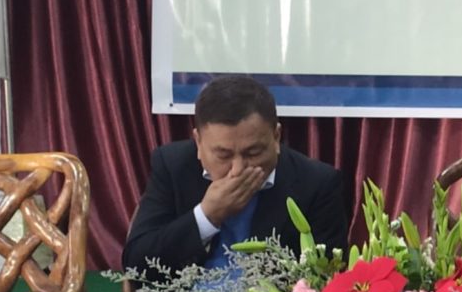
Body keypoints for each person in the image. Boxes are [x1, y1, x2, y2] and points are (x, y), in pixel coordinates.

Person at [122, 75, 350, 276]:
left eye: (253, 152)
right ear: (198, 142)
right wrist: (206, 216)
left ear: (276, 137)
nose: (238, 169)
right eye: (223, 155)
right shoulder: (173, 165)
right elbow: (136, 263)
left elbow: (325, 278)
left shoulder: (317, 183)